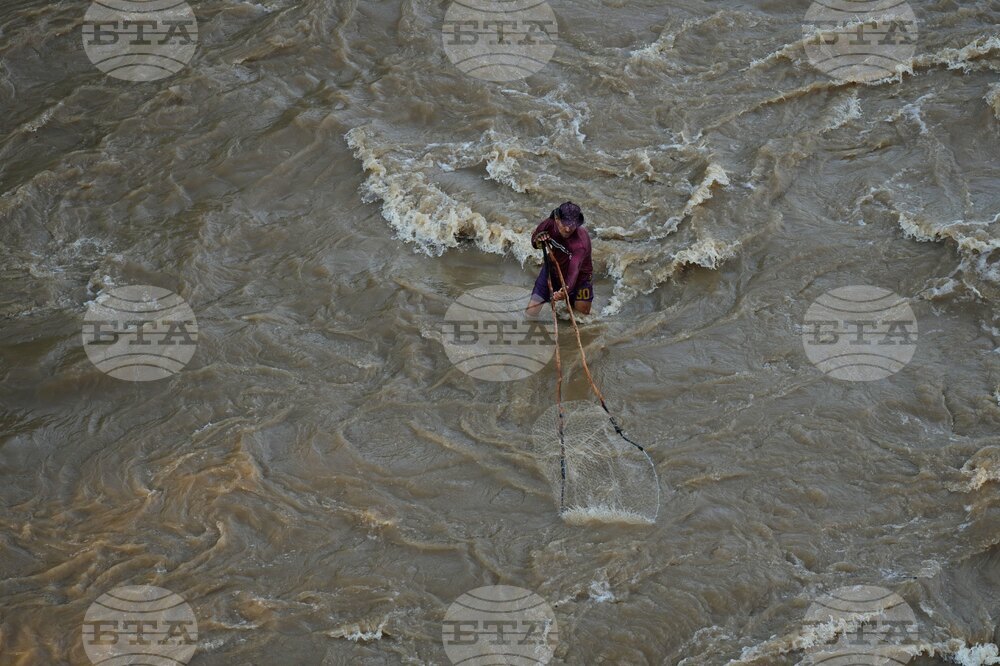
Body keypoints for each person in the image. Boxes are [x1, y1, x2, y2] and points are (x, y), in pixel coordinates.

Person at [525, 201, 593, 316]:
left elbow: (574, 271)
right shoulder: (549, 224)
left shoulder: (580, 244)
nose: (567, 229)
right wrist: (539, 240)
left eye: (572, 225)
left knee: (581, 317)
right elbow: (535, 243)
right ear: (557, 219)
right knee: (531, 312)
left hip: (580, 279)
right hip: (552, 271)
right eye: (564, 223)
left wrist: (565, 290)